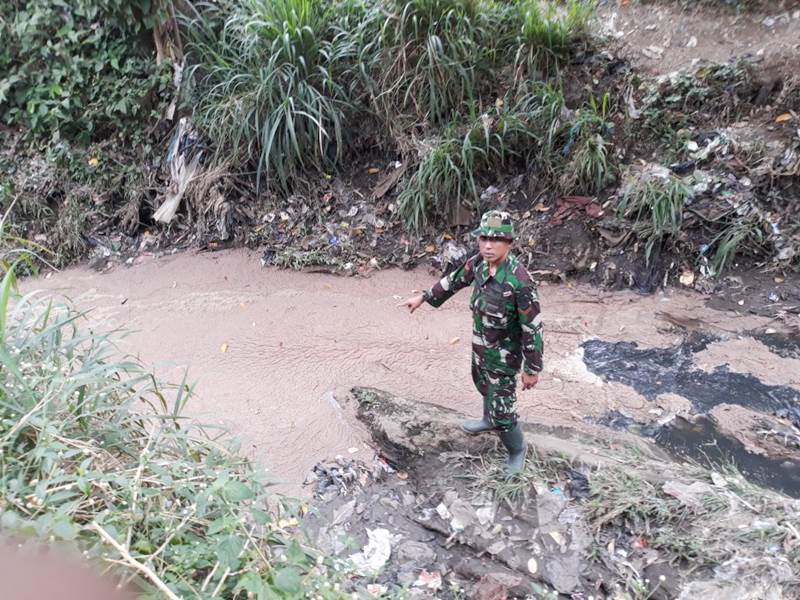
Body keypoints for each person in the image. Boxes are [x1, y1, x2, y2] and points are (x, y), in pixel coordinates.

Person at [400, 210, 544, 474]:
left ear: (509, 243)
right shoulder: (478, 263)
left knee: (504, 409)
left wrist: (532, 369)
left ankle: (517, 449)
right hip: (480, 348)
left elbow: (533, 328)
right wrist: (423, 297)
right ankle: (488, 420)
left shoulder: (520, 282)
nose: (488, 245)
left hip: (504, 358)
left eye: (496, 240)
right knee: (481, 385)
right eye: (484, 238)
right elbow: (454, 280)